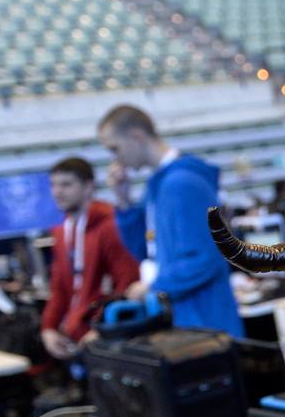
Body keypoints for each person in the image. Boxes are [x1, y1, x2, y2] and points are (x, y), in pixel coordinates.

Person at [98, 105, 244, 337]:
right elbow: (145, 250)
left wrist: (154, 287)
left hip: (206, 324)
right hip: (186, 322)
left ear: (136, 136)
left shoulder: (182, 183)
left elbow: (205, 258)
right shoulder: (158, 186)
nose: (116, 159)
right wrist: (124, 201)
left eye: (115, 148)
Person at [40, 157, 140, 360]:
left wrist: (103, 329)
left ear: (89, 186)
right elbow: (59, 286)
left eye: (66, 185)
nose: (57, 192)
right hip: (76, 334)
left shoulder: (110, 226)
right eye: (53, 185)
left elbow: (127, 283)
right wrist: (48, 327)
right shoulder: (61, 231)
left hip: (104, 335)